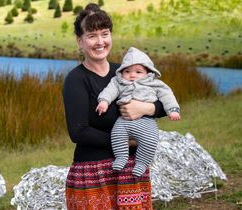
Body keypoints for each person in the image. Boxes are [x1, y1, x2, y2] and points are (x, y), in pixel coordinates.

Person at [62, 3, 167, 209]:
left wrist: (146, 109)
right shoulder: (76, 80)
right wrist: (128, 143)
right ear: (80, 41)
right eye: (92, 35)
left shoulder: (127, 72)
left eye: (105, 34)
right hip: (93, 173)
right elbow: (78, 132)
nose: (100, 42)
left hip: (131, 170)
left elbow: (165, 102)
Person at [96, 46, 180, 177]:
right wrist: (104, 101)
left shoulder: (155, 83)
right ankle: (121, 157)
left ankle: (141, 163)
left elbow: (167, 96)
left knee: (150, 141)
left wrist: (172, 110)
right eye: (127, 71)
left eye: (138, 72)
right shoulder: (118, 82)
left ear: (148, 72)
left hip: (146, 122)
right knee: (117, 135)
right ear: (121, 72)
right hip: (123, 120)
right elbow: (110, 90)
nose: (132, 75)